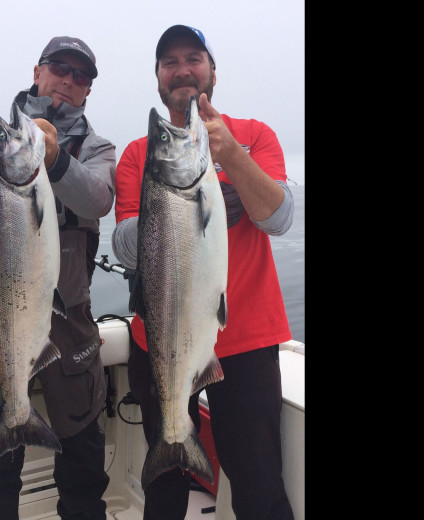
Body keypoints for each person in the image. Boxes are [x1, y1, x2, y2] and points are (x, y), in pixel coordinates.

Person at [111, 25, 295, 520]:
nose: (182, 69)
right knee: (166, 487)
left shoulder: (254, 136)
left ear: (212, 70)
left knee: (258, 480)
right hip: (162, 339)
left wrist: (232, 156)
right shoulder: (136, 154)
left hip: (248, 340)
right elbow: (125, 246)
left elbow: (278, 218)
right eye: (169, 62)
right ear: (157, 78)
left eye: (193, 58)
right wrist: (166, 199)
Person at [0, 36, 116, 520]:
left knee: (84, 452)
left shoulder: (97, 146)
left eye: (81, 75)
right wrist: (1, 171)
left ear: (88, 90)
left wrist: (55, 157)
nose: (68, 80)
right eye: (59, 68)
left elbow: (99, 200)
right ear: (38, 71)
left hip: (70, 316)